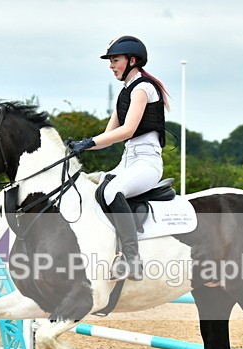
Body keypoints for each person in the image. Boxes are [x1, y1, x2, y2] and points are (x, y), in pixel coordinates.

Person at [68, 35, 171, 281]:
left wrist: (89, 143)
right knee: (92, 187)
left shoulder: (144, 88)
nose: (111, 66)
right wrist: (76, 147)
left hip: (147, 162)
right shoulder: (125, 93)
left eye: (115, 60)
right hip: (128, 161)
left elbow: (127, 131)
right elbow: (110, 136)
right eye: (111, 61)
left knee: (111, 191)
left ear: (132, 60)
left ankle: (132, 260)